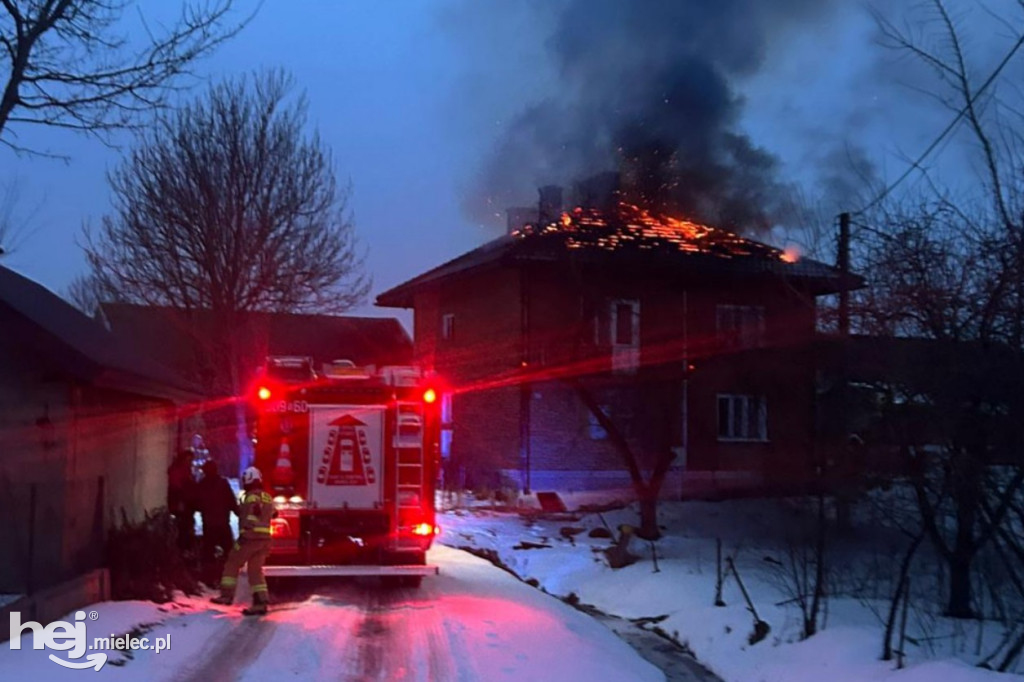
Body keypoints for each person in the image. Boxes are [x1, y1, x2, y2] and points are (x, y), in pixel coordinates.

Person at [211, 466, 275, 615]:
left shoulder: (251, 497)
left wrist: (244, 534)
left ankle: (226, 595)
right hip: (264, 541)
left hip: (249, 539)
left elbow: (251, 516)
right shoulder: (267, 497)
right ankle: (261, 602)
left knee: (232, 562)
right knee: (255, 570)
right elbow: (274, 513)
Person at [195, 459, 238, 580]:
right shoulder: (223, 484)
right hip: (222, 523)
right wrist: (240, 513)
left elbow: (197, 504)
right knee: (229, 552)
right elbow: (231, 501)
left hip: (209, 525)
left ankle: (209, 577)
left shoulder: (202, 485)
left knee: (208, 552)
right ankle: (229, 575)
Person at [167, 450, 197, 554]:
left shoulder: (186, 470)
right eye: (188, 460)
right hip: (181, 503)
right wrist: (180, 502)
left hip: (187, 503)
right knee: (183, 527)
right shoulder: (177, 471)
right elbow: (177, 488)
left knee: (187, 525)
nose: (190, 462)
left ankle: (186, 549)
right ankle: (182, 549)